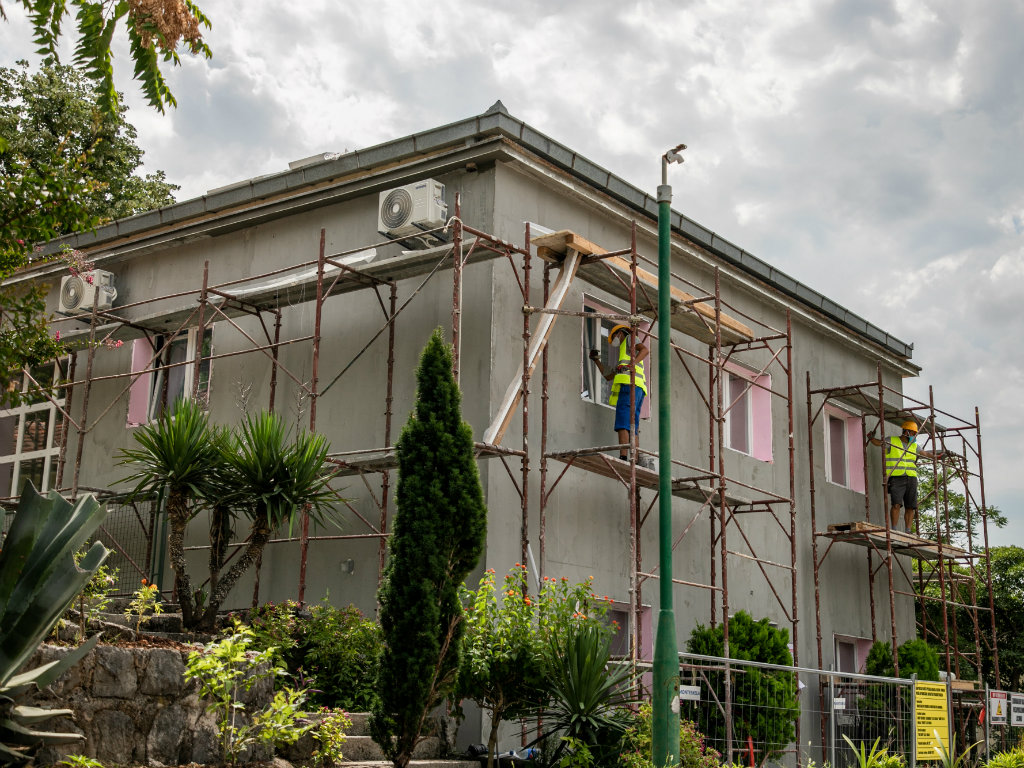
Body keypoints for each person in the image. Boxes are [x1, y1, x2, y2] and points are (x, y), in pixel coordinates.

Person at [589, 324, 651, 467]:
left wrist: (631, 364)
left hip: (629, 385)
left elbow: (645, 350)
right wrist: (596, 360)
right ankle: (634, 459)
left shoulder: (630, 338)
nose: (615, 341)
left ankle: (624, 457)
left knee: (623, 421)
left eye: (614, 336)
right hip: (638, 388)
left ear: (620, 333)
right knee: (632, 424)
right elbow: (608, 376)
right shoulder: (624, 355)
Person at [869, 420, 944, 533]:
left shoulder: (914, 446)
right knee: (896, 504)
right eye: (913, 433)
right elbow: (878, 443)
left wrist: (936, 457)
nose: (914, 436)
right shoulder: (892, 440)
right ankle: (894, 529)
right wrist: (871, 438)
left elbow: (925, 454)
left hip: (911, 478)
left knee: (911, 506)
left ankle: (908, 531)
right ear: (907, 431)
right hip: (896, 477)